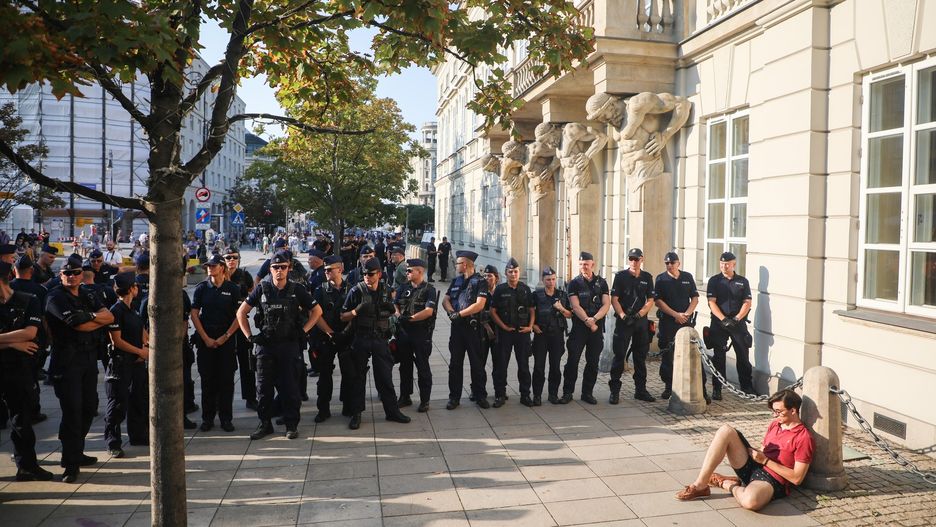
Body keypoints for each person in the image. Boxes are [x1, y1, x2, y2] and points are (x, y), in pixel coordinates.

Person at [675, 389, 814, 510]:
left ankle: (727, 483)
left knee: (750, 502)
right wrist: (757, 455)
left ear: (793, 410)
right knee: (725, 431)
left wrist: (765, 461)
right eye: (773, 411)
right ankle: (700, 485)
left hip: (773, 479)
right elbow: (764, 449)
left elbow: (797, 478)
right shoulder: (775, 425)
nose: (774, 416)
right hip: (755, 465)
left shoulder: (803, 438)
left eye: (778, 412)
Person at [237, 250, 322, 440]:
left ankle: (291, 425)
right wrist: (250, 337)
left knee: (290, 388)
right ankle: (265, 424)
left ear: (289, 268)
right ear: (270, 269)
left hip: (289, 345)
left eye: (283, 267)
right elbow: (241, 312)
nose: (279, 271)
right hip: (266, 346)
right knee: (263, 389)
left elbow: (317, 310)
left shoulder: (297, 289)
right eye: (275, 268)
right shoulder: (262, 288)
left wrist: (304, 330)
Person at [46, 253, 115, 483]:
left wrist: (90, 316)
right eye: (67, 273)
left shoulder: (87, 293)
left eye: (76, 273)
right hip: (67, 362)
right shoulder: (55, 297)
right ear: (60, 275)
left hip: (87, 359)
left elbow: (108, 316)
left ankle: (77, 451)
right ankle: (70, 463)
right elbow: (78, 326)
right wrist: (91, 319)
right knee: (72, 412)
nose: (72, 276)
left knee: (88, 408)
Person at [340, 258, 411, 429]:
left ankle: (392, 411)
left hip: (380, 339)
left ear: (379, 274)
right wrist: (356, 311)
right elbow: (342, 316)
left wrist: (391, 308)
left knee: (385, 376)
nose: (367, 277)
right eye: (364, 274)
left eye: (370, 274)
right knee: (358, 377)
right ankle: (356, 413)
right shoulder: (356, 291)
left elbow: (394, 311)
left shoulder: (386, 290)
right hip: (361, 339)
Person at [0, 260, 54, 481]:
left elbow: (30, 333)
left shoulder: (28, 301)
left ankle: (27, 466)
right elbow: (22, 335)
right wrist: (12, 342)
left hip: (18, 369)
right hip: (12, 360)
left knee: (22, 419)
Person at [190, 254, 241, 432]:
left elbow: (239, 316)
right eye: (208, 266)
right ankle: (208, 418)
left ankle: (226, 418)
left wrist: (225, 336)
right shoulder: (202, 288)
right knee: (207, 381)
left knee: (226, 381)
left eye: (213, 265)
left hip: (225, 340)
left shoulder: (233, 288)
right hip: (206, 339)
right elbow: (194, 313)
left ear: (222, 267)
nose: (210, 268)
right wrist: (204, 338)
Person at [104, 272, 149, 458]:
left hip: (137, 363)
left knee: (138, 399)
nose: (138, 289)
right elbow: (117, 341)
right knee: (117, 404)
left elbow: (142, 331)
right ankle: (113, 442)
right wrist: (139, 352)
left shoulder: (133, 308)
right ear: (131, 288)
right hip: (122, 363)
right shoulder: (116, 311)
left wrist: (145, 346)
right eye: (136, 286)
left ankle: (138, 435)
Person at [441, 250, 490, 410]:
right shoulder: (456, 281)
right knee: (455, 364)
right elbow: (446, 299)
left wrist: (459, 314)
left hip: (473, 328)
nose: (456, 265)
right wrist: (451, 313)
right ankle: (454, 397)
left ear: (466, 264)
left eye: (458, 263)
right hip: (457, 330)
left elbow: (480, 304)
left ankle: (480, 395)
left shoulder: (480, 281)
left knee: (477, 364)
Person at [654, 251, 705, 402]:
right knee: (668, 355)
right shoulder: (661, 279)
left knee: (693, 353)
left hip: (686, 320)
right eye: (667, 263)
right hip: (668, 322)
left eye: (672, 263)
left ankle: (701, 389)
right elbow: (658, 301)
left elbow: (695, 297)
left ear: (678, 263)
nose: (670, 265)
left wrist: (686, 314)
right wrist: (675, 315)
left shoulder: (687, 277)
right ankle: (669, 386)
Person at [561, 251, 611, 405]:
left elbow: (606, 304)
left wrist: (594, 319)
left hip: (596, 328)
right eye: (581, 264)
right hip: (579, 328)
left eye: (586, 264)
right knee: (572, 361)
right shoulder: (574, 283)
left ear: (592, 264)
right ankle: (567, 392)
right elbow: (575, 306)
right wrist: (588, 321)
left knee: (592, 362)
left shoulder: (601, 283)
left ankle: (587, 393)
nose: (584, 267)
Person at [609, 248, 656, 403]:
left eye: (636, 259)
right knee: (619, 356)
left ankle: (640, 390)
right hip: (624, 322)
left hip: (640, 322)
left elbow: (650, 300)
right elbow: (614, 298)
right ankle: (614, 391)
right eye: (631, 258)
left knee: (640, 358)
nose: (634, 262)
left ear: (641, 259)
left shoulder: (647, 277)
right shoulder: (621, 276)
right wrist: (622, 315)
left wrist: (639, 314)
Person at [706, 252, 755, 399]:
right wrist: (723, 319)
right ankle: (717, 388)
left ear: (733, 264)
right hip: (719, 323)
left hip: (737, 323)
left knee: (743, 356)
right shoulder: (714, 281)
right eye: (721, 264)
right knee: (719, 357)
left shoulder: (742, 281)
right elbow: (711, 302)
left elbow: (747, 302)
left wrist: (737, 318)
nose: (724, 266)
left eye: (727, 264)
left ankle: (746, 387)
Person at [489, 257, 535, 407]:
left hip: (522, 333)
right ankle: (500, 395)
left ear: (519, 272)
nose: (513, 274)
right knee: (501, 366)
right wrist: (503, 326)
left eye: (515, 271)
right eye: (510, 272)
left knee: (524, 366)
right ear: (506, 273)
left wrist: (530, 326)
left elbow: (532, 310)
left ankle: (525, 395)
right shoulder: (500, 290)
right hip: (505, 334)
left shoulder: (525, 289)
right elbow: (493, 311)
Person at [393, 258, 438, 413]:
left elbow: (428, 311)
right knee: (404, 366)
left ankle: (425, 400)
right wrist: (398, 315)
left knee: (422, 367)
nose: (407, 273)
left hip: (420, 333)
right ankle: (405, 396)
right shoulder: (403, 287)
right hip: (404, 333)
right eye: (407, 270)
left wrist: (411, 318)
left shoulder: (429, 289)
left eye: (410, 270)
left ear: (420, 271)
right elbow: (395, 304)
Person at [310, 255, 351, 422]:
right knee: (324, 376)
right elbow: (315, 315)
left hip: (346, 338)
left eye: (329, 269)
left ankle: (348, 406)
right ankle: (323, 409)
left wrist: (344, 334)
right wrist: (330, 333)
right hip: (326, 338)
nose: (326, 272)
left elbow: (356, 314)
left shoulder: (352, 289)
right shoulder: (320, 290)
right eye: (325, 269)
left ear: (340, 270)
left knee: (349, 374)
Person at [11, 255, 49, 424]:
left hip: (12, 337)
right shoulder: (40, 290)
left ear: (14, 270)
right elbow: (44, 317)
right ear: (31, 271)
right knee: (32, 377)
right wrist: (49, 338)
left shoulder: (9, 288)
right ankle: (34, 411)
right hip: (35, 338)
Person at [223, 246, 257, 411]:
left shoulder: (244, 275)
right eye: (228, 257)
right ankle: (220, 401)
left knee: (247, 363)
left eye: (234, 257)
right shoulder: (219, 276)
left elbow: (251, 294)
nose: (231, 260)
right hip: (224, 325)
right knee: (224, 365)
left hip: (241, 324)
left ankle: (250, 397)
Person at [531, 266, 571, 405]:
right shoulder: (536, 295)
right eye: (548, 279)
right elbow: (530, 313)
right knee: (538, 367)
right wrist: (533, 326)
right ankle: (537, 395)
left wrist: (561, 308)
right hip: (541, 335)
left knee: (555, 367)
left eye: (553, 279)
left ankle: (553, 394)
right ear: (543, 280)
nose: (551, 282)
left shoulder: (562, 295)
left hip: (556, 336)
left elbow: (569, 315)